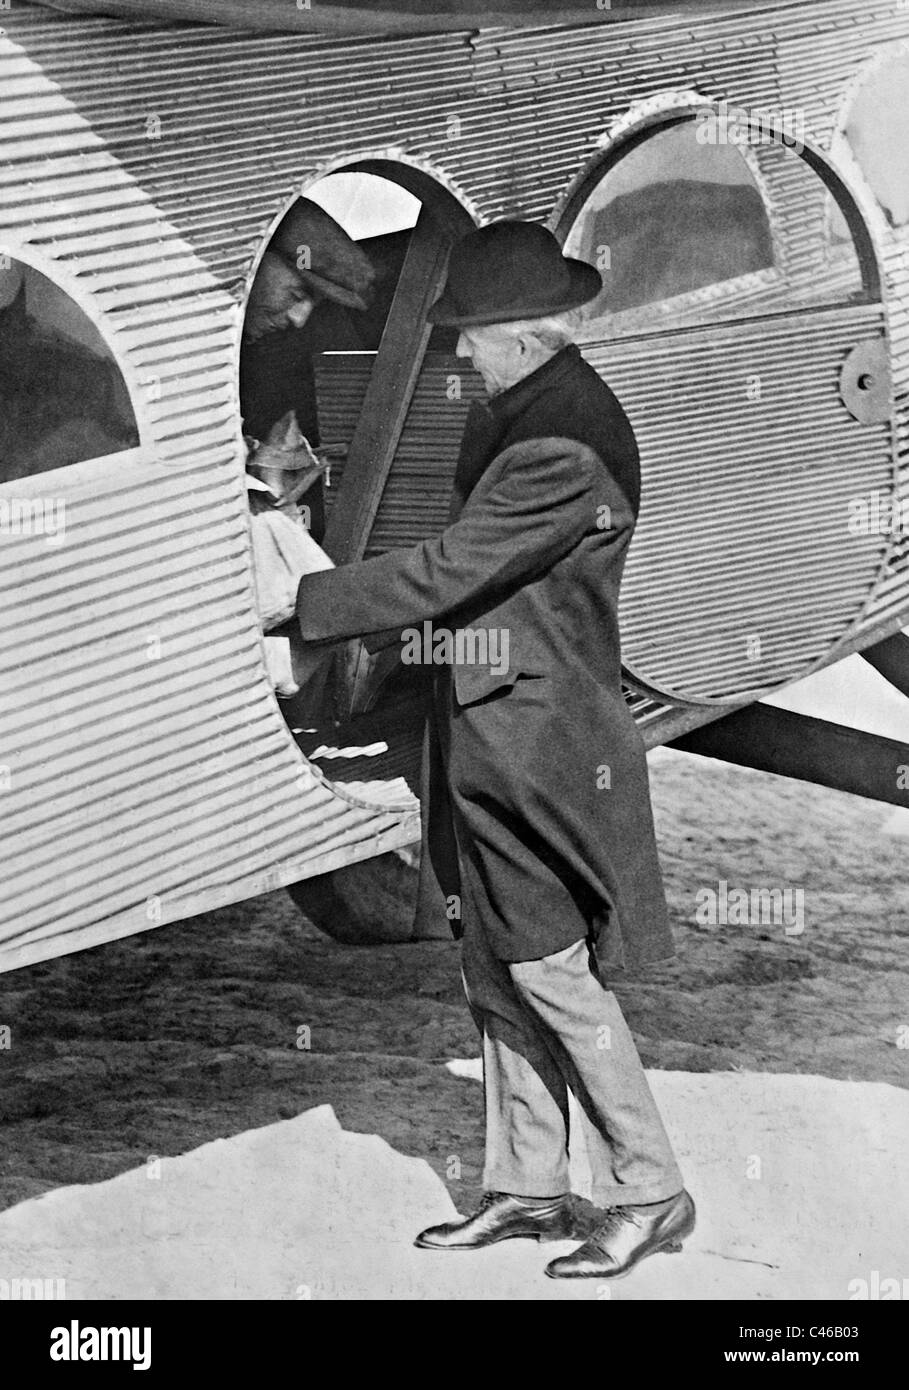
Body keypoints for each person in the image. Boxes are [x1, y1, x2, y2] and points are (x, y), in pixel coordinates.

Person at [293, 220, 695, 1280]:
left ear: (525, 334)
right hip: (493, 719)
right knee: (495, 965)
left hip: (536, 738)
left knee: (552, 970)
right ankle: (529, 1185)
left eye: (472, 334)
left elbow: (448, 571)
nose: (460, 352)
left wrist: (300, 600)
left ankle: (650, 1189)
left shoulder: (562, 444)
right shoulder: (531, 407)